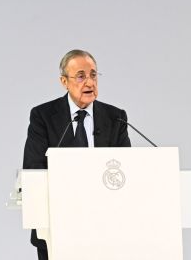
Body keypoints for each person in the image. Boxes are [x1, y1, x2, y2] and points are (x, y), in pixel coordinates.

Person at [22, 49, 131, 260]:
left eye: (93, 75)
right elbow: (34, 169)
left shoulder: (115, 117)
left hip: (106, 228)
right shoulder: (43, 116)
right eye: (80, 76)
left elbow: (126, 170)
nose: (89, 82)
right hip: (57, 227)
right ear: (64, 81)